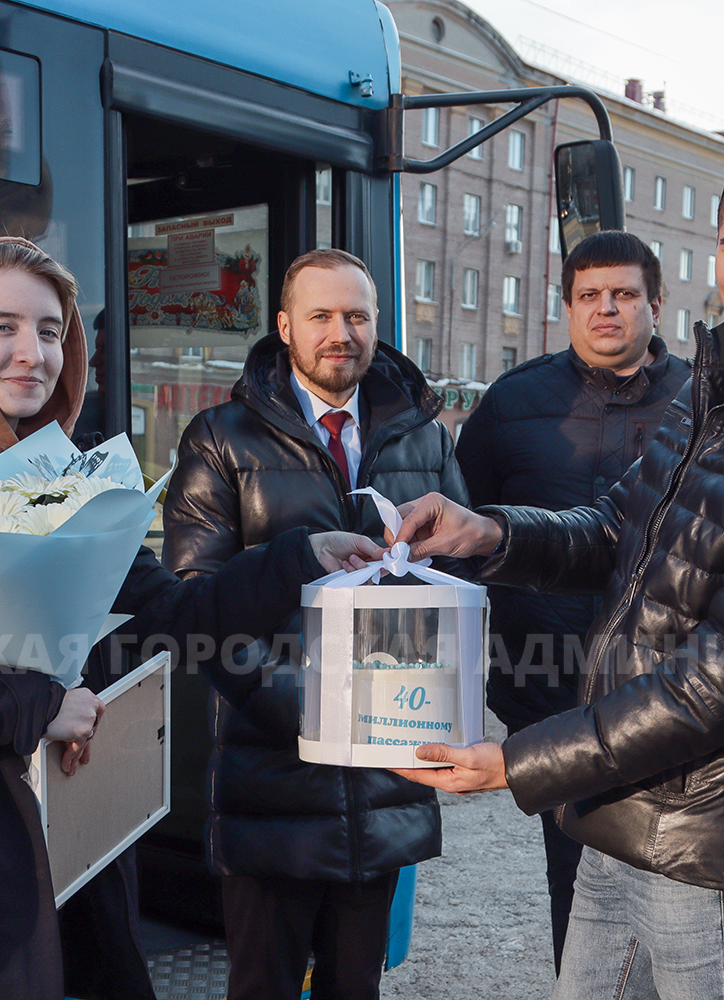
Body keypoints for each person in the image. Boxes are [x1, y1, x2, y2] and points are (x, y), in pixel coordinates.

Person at [387, 141, 724, 999]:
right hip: (624, 812)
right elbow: (617, 531)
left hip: (709, 847)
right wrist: (483, 533)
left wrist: (517, 763)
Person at [0, 237, 380, 1000]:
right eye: (1, 327)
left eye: (51, 331)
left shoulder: (69, 477)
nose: (33, 354)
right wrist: (34, 705)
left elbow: (178, 618)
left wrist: (299, 558)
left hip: (67, 870)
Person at [163, 248, 466, 1000]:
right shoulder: (220, 438)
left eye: (357, 316)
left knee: (356, 987)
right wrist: (315, 716)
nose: (342, 332)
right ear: (284, 327)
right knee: (263, 987)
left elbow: (463, 583)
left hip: (389, 769)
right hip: (274, 768)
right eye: (322, 316)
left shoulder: (425, 437)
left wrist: (398, 713)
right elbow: (196, 608)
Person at [454, 230, 690, 972]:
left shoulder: (703, 402)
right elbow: (468, 536)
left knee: (677, 883)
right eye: (589, 296)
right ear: (566, 308)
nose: (607, 310)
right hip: (551, 690)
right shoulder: (513, 403)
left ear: (657, 303)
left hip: (672, 692)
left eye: (624, 294)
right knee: (582, 879)